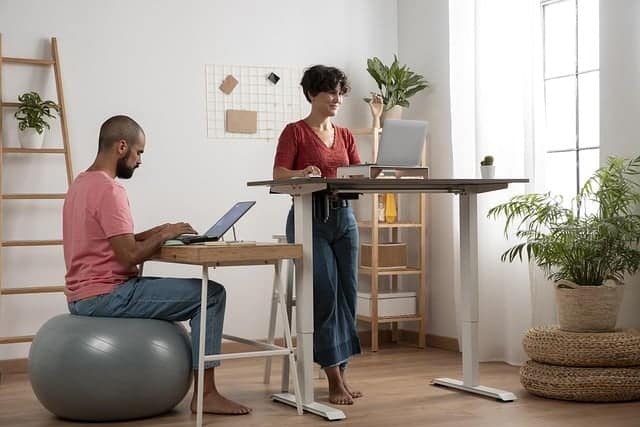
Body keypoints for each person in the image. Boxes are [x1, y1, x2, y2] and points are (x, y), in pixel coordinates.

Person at [62, 115, 250, 416]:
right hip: (108, 294)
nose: (139, 161)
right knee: (212, 295)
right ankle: (207, 394)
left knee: (204, 292)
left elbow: (113, 240)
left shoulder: (81, 184)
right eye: (139, 153)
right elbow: (128, 256)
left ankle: (207, 391)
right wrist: (166, 234)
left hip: (81, 295)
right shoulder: (110, 191)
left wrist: (161, 229)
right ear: (122, 147)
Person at [272, 65, 363, 405]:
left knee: (349, 296)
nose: (336, 98)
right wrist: (302, 172)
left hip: (344, 220)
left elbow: (357, 173)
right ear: (312, 94)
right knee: (324, 295)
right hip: (310, 220)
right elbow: (279, 174)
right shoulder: (294, 132)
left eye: (340, 92)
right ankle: (333, 380)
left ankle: (343, 373)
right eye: (330, 92)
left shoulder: (345, 135)